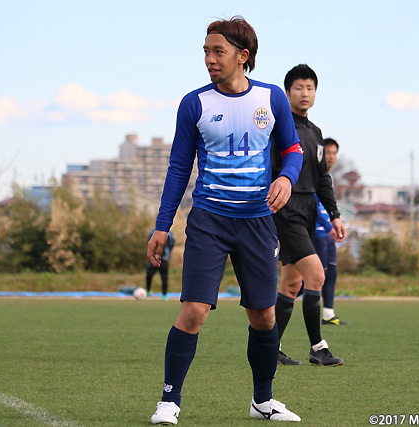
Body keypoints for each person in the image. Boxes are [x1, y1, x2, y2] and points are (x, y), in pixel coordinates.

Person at [147, 16, 304, 424]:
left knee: (264, 316)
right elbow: (179, 168)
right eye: (206, 51)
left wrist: (286, 178)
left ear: (243, 56)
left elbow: (293, 149)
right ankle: (169, 401)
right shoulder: (194, 103)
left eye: (218, 51)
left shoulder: (271, 98)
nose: (209, 59)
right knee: (194, 311)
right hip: (209, 222)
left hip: (257, 223)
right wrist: (162, 226)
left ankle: (263, 402)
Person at [271, 64, 346, 367]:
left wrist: (335, 215)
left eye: (310, 88)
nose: (305, 93)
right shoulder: (278, 127)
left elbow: (322, 179)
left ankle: (270, 348)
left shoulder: (316, 133)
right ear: (287, 92)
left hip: (308, 213)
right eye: (299, 88)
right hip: (285, 211)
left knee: (291, 285)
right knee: (316, 275)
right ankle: (318, 347)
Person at [317, 138, 349, 325]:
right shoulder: (314, 175)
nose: (331, 157)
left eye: (334, 153)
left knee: (332, 272)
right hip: (317, 233)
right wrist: (329, 227)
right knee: (314, 277)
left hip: (328, 233)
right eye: (327, 153)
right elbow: (312, 206)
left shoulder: (330, 177)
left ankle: (328, 314)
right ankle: (275, 306)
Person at [146, 228, 174, 301]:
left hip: (164, 259)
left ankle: (164, 295)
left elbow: (171, 244)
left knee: (164, 277)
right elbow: (150, 243)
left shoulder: (169, 234)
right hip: (154, 258)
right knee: (149, 275)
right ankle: (148, 291)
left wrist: (166, 253)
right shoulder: (152, 232)